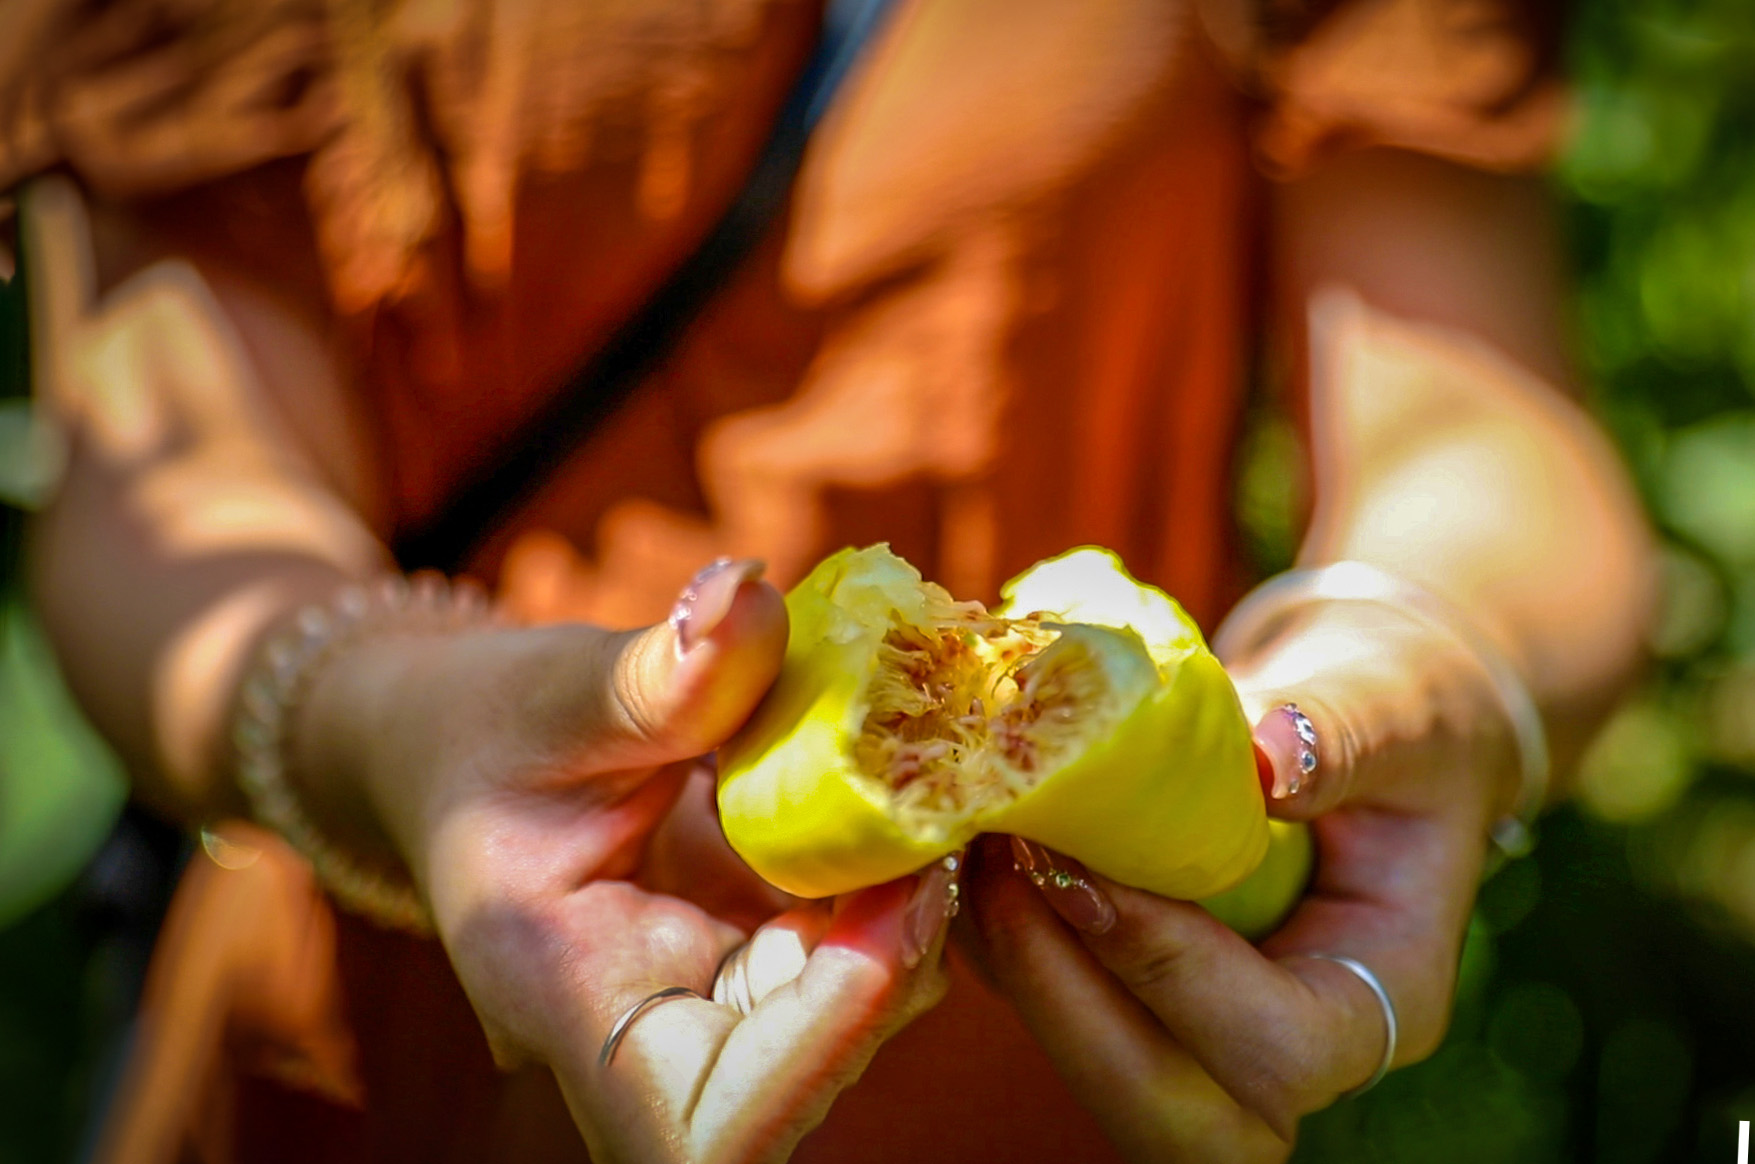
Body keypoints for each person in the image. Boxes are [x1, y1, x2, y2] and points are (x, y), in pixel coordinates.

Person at [6, 0, 1652, 1159]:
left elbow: (1472, 429)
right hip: (378, 1051)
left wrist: (1429, 648)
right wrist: (383, 724)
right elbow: (164, 490)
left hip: (1059, 1078)